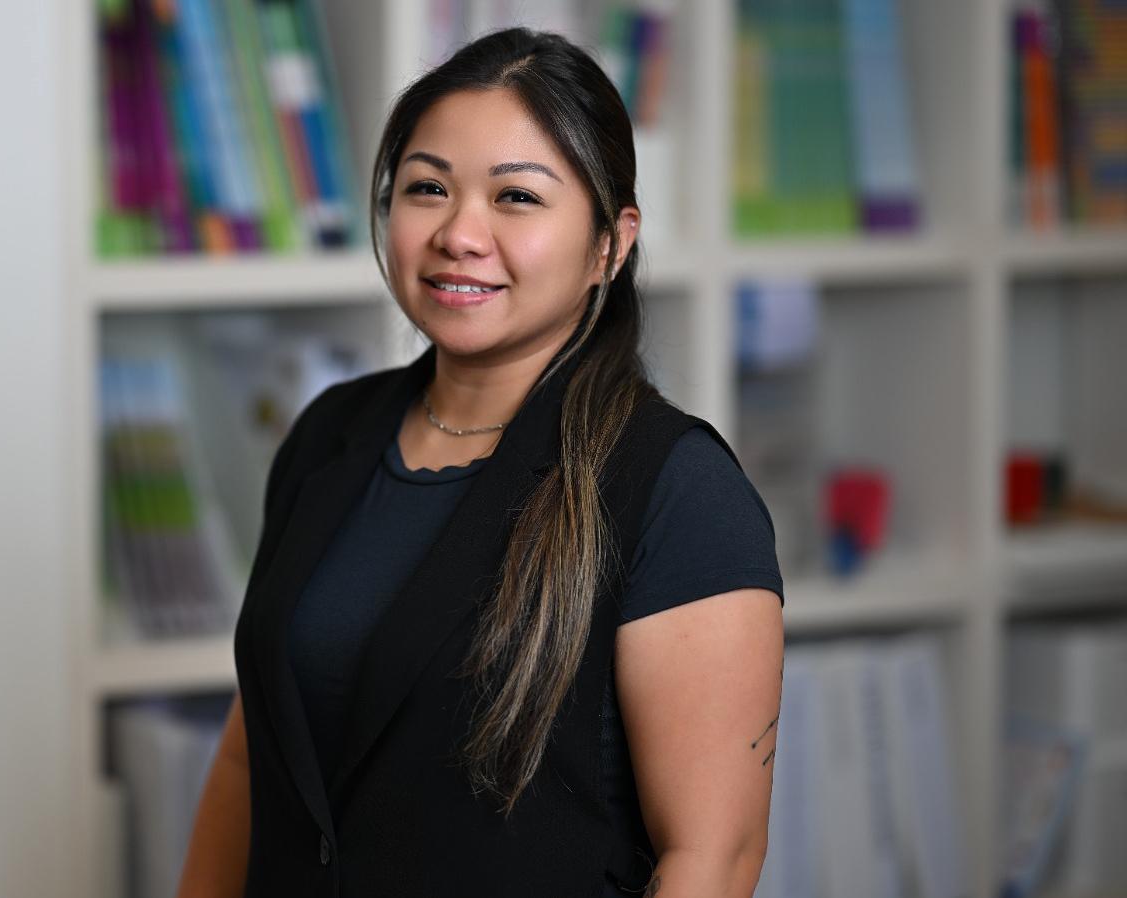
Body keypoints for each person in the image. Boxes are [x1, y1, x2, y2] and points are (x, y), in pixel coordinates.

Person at [177, 27, 784, 898]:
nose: (460, 233)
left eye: (517, 198)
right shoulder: (330, 435)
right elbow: (251, 758)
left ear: (610, 243)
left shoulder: (674, 488)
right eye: (428, 188)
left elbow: (713, 858)